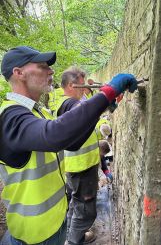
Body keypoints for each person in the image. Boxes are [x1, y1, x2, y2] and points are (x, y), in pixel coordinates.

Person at [0, 45, 138, 245]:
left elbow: (72, 142)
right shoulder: (9, 116)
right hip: (33, 235)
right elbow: (55, 135)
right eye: (42, 66)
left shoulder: (38, 112)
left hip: (54, 222)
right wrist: (107, 92)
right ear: (19, 73)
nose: (51, 71)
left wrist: (100, 109)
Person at [56, 68, 100, 245]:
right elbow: (84, 113)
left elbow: (86, 112)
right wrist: (104, 96)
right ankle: (74, 241)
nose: (84, 89)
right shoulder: (67, 103)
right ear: (70, 85)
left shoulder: (72, 101)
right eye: (81, 85)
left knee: (76, 203)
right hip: (81, 166)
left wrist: (92, 93)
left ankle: (73, 236)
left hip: (80, 165)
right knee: (86, 210)